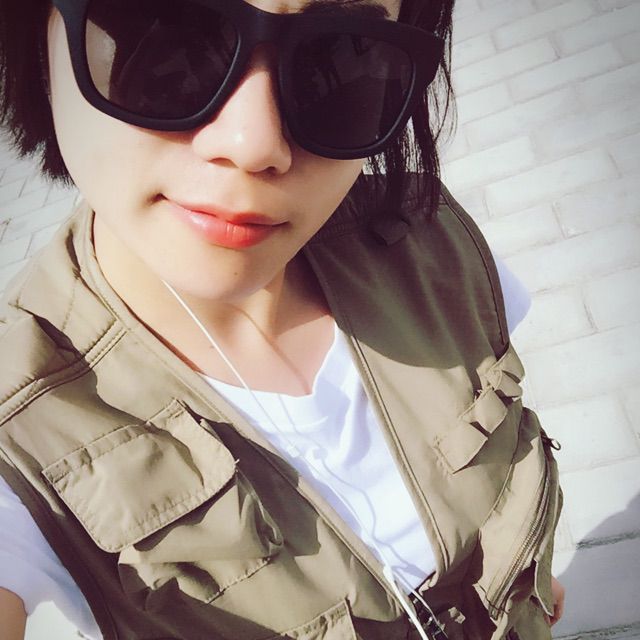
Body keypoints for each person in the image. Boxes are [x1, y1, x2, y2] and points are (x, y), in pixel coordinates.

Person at [0, 0, 565, 638]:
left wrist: (523, 581)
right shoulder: (19, 431)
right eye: (165, 31)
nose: (254, 145)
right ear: (34, 37)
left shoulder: (430, 244)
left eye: (342, 52)